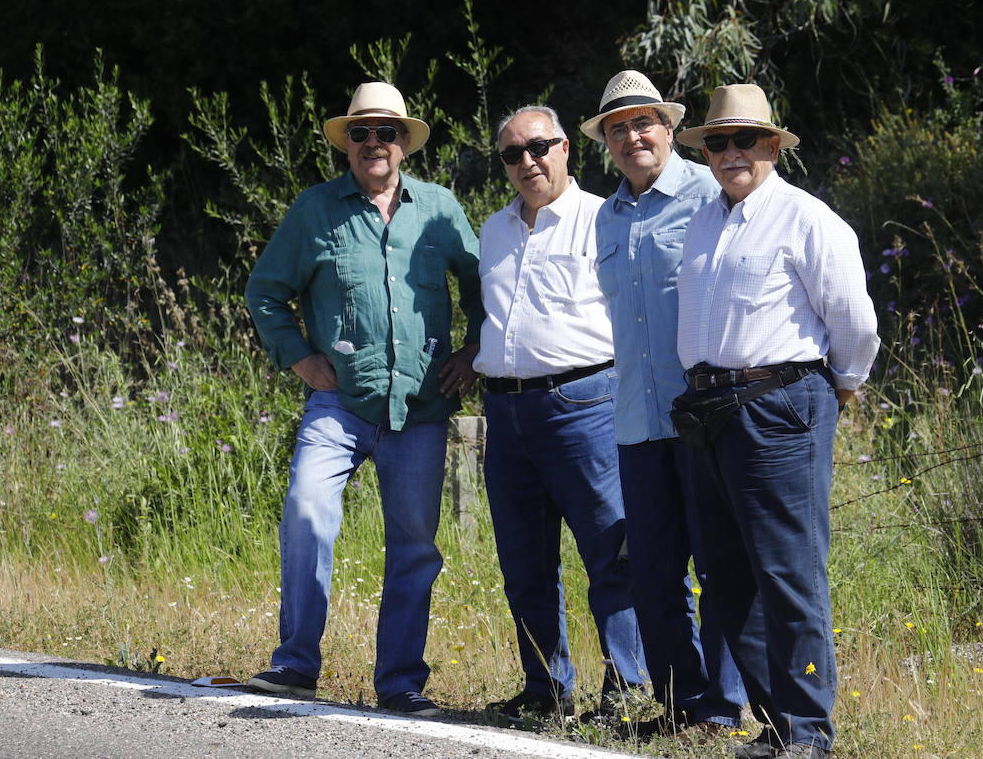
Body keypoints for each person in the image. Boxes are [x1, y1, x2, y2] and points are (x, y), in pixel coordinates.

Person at [243, 81, 483, 718]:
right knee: (306, 510)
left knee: (414, 548)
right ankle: (295, 665)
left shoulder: (439, 209)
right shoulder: (314, 210)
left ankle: (400, 683)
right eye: (361, 132)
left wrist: (473, 352)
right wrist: (298, 356)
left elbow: (486, 286)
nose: (374, 143)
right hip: (340, 405)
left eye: (386, 132)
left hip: (423, 410)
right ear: (346, 143)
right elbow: (265, 292)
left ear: (405, 143)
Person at [671, 84, 879, 759]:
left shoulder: (808, 220)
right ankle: (778, 722)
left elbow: (855, 323)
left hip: (780, 400)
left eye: (745, 141)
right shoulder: (705, 220)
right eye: (717, 142)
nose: (731, 153)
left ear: (772, 146)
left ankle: (810, 731)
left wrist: (842, 387)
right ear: (704, 152)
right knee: (727, 576)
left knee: (788, 572)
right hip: (708, 407)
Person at [582, 70, 745, 733]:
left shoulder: (711, 194)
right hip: (635, 421)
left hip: (704, 418)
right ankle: (680, 704)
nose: (632, 136)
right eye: (618, 128)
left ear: (670, 129)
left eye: (643, 122)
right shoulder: (606, 216)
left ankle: (724, 707)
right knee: (651, 573)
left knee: (718, 563)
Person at [474, 105, 646, 722]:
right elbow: (492, 319)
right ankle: (546, 690)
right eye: (512, 154)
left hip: (585, 403)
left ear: (566, 148)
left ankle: (628, 692)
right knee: (523, 561)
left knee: (611, 553)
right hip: (505, 410)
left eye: (539, 147)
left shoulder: (604, 218)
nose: (527, 162)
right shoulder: (492, 231)